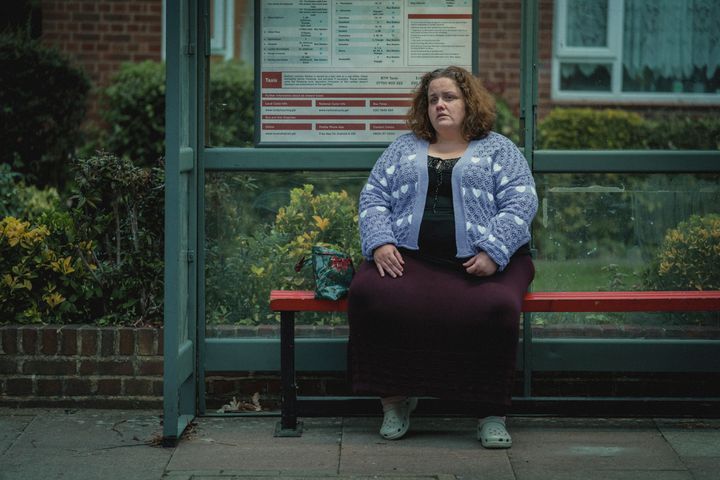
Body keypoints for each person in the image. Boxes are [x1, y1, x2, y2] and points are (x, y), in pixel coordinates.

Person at [347, 66, 537, 449]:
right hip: (412, 258)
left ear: (469, 102)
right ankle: (395, 400)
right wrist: (382, 242)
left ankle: (490, 413)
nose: (440, 105)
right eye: (433, 98)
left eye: (449, 97)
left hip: (481, 263)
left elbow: (522, 199)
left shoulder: (499, 148)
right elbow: (373, 197)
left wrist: (494, 250)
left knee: (497, 307)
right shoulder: (402, 147)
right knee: (369, 293)